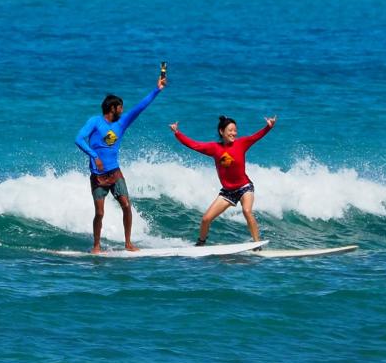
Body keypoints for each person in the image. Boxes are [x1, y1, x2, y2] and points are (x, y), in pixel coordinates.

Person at [74, 73, 166, 253]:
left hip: (115, 173)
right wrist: (95, 156)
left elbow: (140, 108)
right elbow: (79, 139)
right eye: (120, 107)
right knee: (100, 213)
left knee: (126, 206)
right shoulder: (95, 121)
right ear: (112, 108)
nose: (123, 110)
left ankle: (128, 243)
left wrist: (157, 90)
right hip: (98, 176)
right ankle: (96, 246)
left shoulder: (122, 123)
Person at [169, 114, 276, 246]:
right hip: (228, 191)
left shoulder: (241, 143)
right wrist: (177, 133)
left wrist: (268, 127)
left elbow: (256, 137)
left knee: (247, 211)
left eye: (235, 130)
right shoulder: (215, 148)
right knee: (206, 219)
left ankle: (257, 244)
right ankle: (201, 243)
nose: (234, 133)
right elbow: (194, 145)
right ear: (222, 131)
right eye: (230, 130)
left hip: (244, 187)